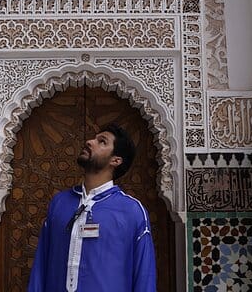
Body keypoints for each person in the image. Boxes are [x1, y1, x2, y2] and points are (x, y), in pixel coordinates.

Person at [27, 123, 157, 292]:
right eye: (94, 138)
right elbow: (40, 267)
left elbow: (144, 277)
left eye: (102, 141)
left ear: (116, 160)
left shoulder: (132, 211)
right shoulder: (59, 203)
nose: (89, 142)